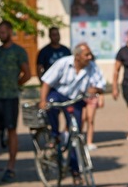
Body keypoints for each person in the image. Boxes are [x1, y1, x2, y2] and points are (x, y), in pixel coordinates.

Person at [39, 42, 104, 176]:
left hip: (76, 99)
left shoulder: (91, 67)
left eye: (90, 54)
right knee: (51, 105)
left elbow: (101, 84)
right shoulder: (63, 63)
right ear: (77, 56)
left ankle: (75, 169)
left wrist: (96, 89)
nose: (89, 57)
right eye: (86, 55)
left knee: (76, 133)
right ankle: (55, 135)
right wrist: (43, 100)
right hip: (59, 94)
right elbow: (47, 82)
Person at [0, 21, 31, 180]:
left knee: (11, 130)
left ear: (10, 31)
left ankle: (10, 166)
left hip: (10, 98)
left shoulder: (18, 51)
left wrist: (16, 84)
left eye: (4, 32)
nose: (1, 35)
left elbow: (27, 73)